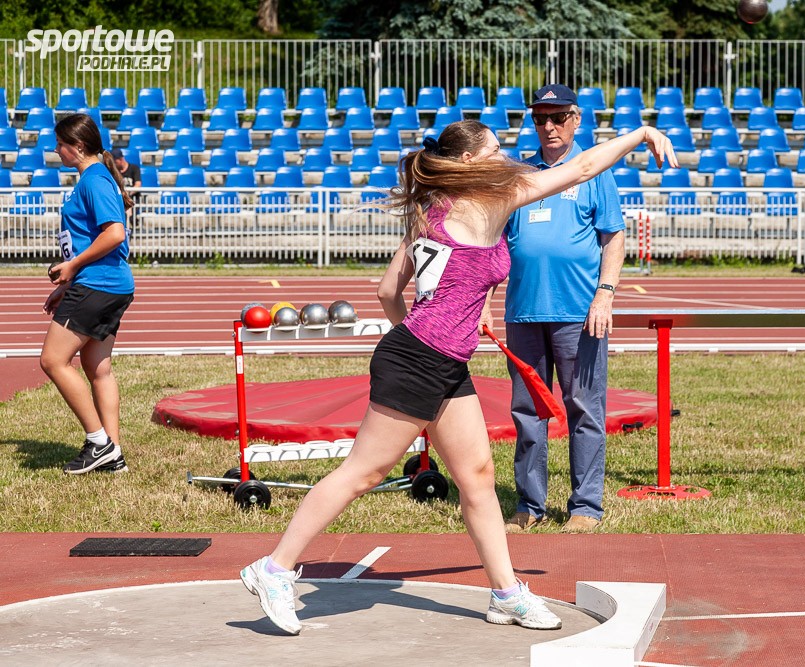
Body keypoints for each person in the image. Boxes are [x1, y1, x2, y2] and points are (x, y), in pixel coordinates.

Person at [239, 118, 677, 636]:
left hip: (439, 361)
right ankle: (273, 569)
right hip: (421, 360)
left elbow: (387, 291)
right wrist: (640, 134)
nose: (506, 156)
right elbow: (582, 167)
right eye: (495, 150)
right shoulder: (490, 200)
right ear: (470, 162)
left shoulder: (433, 207)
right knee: (364, 473)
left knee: (477, 477)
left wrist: (427, 334)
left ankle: (507, 594)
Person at [495, 84, 624, 535]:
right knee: (527, 411)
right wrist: (483, 302)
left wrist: (604, 294)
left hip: (578, 312)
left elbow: (613, 237)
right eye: (540, 118)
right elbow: (497, 245)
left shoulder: (594, 170)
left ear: (576, 119)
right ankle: (529, 504)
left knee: (583, 408)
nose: (548, 126)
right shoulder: (520, 175)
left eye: (557, 117)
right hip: (523, 312)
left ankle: (585, 506)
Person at [42, 113, 135, 474]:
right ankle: (114, 454)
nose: (56, 150)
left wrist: (73, 266)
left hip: (98, 284)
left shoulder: (94, 179)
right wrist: (68, 283)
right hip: (108, 283)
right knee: (98, 368)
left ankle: (99, 443)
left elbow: (115, 233)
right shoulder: (96, 177)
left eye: (60, 143)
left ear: (78, 146)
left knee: (53, 361)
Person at [110, 148, 141, 222]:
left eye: (115, 162)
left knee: (130, 211)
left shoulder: (134, 168)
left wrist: (127, 194)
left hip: (133, 198)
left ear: (121, 159)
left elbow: (138, 184)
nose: (114, 164)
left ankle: (130, 220)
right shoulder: (114, 171)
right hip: (119, 198)